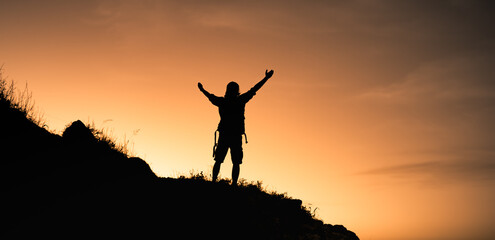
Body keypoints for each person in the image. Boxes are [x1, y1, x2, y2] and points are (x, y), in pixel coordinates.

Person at [198, 69, 274, 185]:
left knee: (221, 160)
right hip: (234, 135)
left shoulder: (223, 101)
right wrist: (266, 78)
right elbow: (254, 89)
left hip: (226, 134)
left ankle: (215, 182)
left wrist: (202, 90)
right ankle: (233, 184)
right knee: (234, 162)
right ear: (237, 91)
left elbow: (210, 96)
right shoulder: (239, 100)